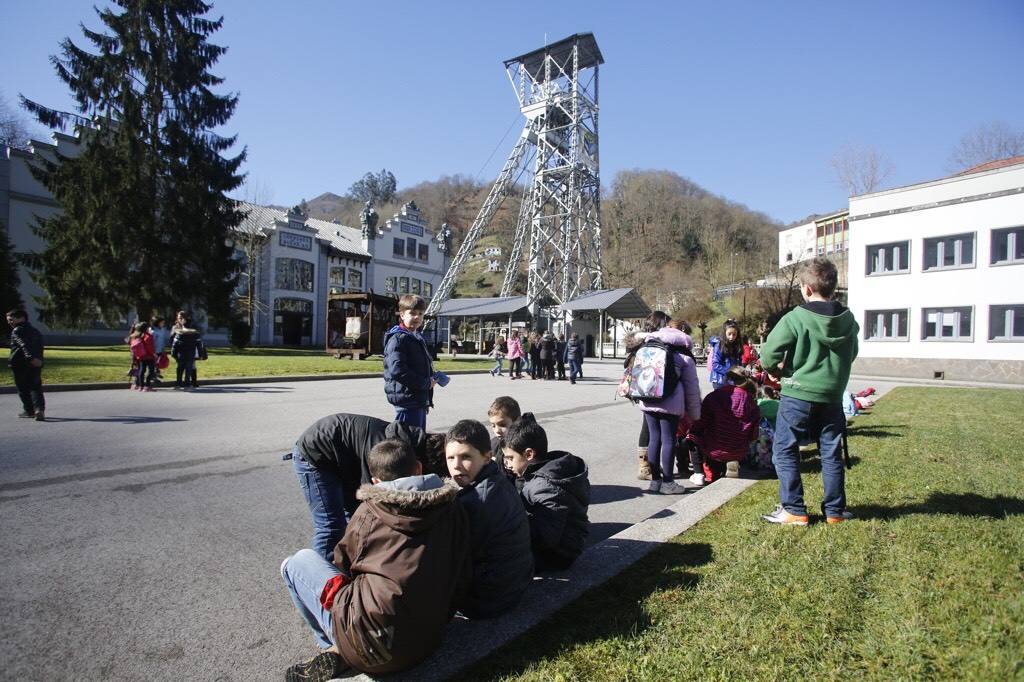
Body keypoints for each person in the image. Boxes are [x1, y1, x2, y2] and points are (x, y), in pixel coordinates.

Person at [280, 439, 471, 679]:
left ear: (376, 482)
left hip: (372, 644)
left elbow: (343, 565)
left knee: (296, 562)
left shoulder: (369, 513)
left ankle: (333, 644)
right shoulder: (453, 506)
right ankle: (344, 646)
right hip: (429, 638)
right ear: (419, 468)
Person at [759, 257, 859, 526]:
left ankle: (794, 509)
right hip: (831, 396)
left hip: (798, 395)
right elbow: (852, 353)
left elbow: (769, 352)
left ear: (805, 288)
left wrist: (775, 370)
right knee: (830, 451)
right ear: (834, 287)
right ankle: (835, 511)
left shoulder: (796, 317)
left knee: (785, 449)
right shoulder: (848, 320)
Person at [288, 412, 444, 561]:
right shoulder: (386, 457)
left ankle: (351, 567)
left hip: (343, 455)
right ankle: (323, 582)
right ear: (420, 467)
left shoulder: (412, 443)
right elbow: (371, 501)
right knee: (331, 527)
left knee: (354, 521)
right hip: (315, 454)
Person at [446, 419, 533, 619]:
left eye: (465, 457)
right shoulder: (496, 480)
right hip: (514, 585)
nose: (456, 466)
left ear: (487, 457)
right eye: (450, 458)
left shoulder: (476, 501)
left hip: (489, 599)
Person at [502, 414, 590, 571]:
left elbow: (544, 538)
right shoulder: (547, 470)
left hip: (559, 554)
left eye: (510, 458)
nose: (506, 463)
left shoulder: (544, 487)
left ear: (529, 454)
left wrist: (510, 522)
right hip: (562, 540)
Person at [636, 311, 702, 495]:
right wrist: (695, 413)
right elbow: (691, 387)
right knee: (668, 440)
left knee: (654, 439)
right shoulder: (684, 354)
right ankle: (668, 482)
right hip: (670, 403)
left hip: (648, 399)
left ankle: (655, 481)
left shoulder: (651, 344)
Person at [687, 366, 760, 484]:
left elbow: (701, 423)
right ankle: (731, 461)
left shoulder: (714, 396)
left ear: (727, 379)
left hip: (715, 448)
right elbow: (754, 432)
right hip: (739, 449)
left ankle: (700, 472)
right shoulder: (750, 400)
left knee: (692, 436)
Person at [383, 294, 437, 430]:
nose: (417, 317)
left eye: (420, 313)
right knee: (408, 442)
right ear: (402, 315)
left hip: (418, 399)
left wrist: (431, 378)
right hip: (407, 401)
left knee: (418, 439)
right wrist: (425, 383)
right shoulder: (398, 338)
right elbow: (398, 370)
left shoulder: (417, 337)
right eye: (412, 313)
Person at [7, 309, 45, 421]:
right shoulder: (35, 331)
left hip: (20, 363)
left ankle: (29, 411)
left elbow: (23, 345)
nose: (9, 322)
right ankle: (39, 409)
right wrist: (39, 360)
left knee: (22, 388)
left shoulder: (17, 330)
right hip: (36, 363)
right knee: (36, 387)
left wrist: (30, 358)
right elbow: (40, 347)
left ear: (21, 318)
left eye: (11, 319)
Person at [170, 311, 205, 389]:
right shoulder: (195, 333)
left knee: (181, 368)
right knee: (188, 369)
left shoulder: (179, 333)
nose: (180, 319)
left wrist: (173, 353)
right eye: (179, 318)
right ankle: (187, 383)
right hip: (190, 353)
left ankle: (180, 383)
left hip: (181, 353)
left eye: (181, 318)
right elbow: (199, 344)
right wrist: (200, 354)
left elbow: (174, 344)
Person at [709, 319, 743, 390]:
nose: (731, 337)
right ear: (724, 333)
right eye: (729, 334)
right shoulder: (719, 345)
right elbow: (715, 365)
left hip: (732, 380)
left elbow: (738, 363)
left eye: (734, 334)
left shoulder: (736, 345)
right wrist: (730, 372)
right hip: (719, 380)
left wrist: (741, 369)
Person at [128, 321, 157, 391]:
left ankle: (141, 386)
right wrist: (154, 354)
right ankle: (147, 386)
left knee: (142, 370)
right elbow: (150, 347)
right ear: (146, 328)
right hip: (149, 356)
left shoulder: (136, 335)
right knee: (151, 371)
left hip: (141, 356)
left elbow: (130, 343)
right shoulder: (148, 336)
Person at [150, 317, 171, 381]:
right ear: (158, 323)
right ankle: (153, 376)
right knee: (153, 364)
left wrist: (163, 348)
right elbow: (151, 342)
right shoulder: (153, 331)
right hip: (155, 350)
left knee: (158, 363)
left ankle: (157, 373)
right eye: (162, 323)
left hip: (160, 349)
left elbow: (162, 339)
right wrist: (153, 351)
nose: (163, 324)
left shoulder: (162, 330)